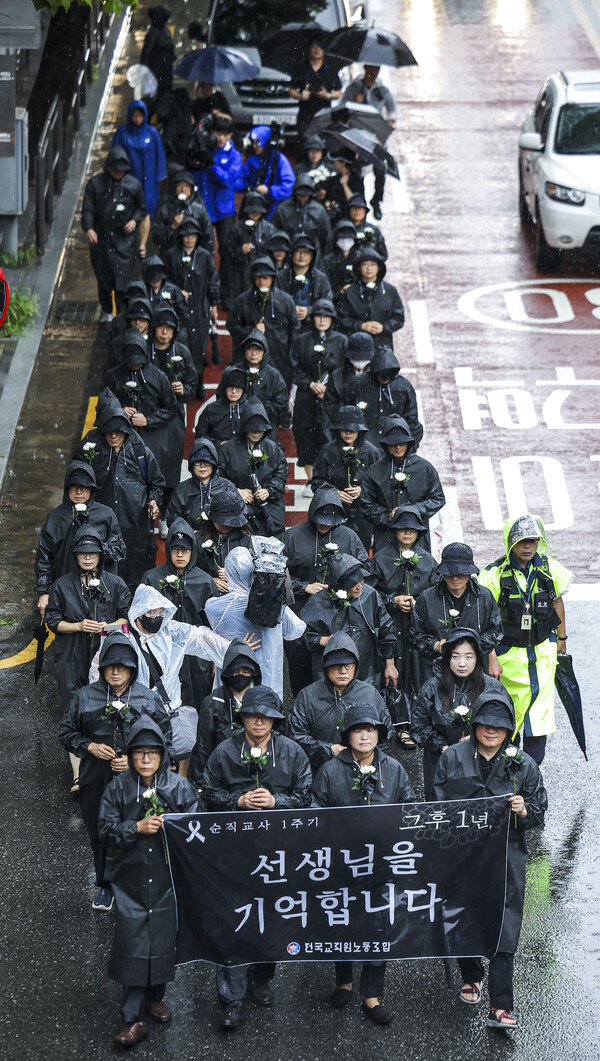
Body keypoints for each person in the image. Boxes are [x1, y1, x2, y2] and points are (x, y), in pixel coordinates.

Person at [432, 690, 547, 1029]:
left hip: (506, 858)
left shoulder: (523, 764)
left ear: (508, 729)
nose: (491, 731)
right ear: (475, 724)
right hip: (462, 856)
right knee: (465, 916)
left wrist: (524, 810)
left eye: (499, 726)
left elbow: (539, 809)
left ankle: (501, 1003)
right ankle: (471, 976)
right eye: (485, 724)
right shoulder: (452, 758)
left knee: (504, 923)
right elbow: (437, 806)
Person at [201, 687, 312, 1029]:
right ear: (243, 718)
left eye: (266, 716)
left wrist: (278, 802)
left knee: (271, 920)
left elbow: (306, 796)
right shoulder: (224, 752)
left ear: (275, 720)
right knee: (232, 920)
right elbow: (207, 793)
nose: (259, 721)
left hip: (278, 854)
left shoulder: (292, 752)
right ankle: (231, 997)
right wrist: (238, 801)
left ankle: (262, 978)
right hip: (234, 855)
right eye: (252, 715)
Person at [98, 720, 201, 1047]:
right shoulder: (118, 787)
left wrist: (175, 830)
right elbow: (105, 829)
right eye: (139, 753)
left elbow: (196, 829)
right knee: (133, 945)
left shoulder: (180, 787)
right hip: (130, 881)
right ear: (130, 755)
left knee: (162, 941)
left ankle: (155, 997)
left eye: (152, 754)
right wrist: (135, 828)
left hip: (167, 880)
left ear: (162, 756)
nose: (145, 760)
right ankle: (132, 1018)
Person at [311, 704, 415, 1025]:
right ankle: (344, 980)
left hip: (381, 863)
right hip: (342, 862)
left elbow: (409, 809)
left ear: (380, 735)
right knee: (341, 920)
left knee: (377, 923)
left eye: (371, 730)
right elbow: (315, 810)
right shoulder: (330, 770)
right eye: (358, 730)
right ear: (348, 736)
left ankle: (371, 994)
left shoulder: (394, 769)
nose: (365, 735)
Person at [90, 584, 258, 775]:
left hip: (169, 709)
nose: (157, 616)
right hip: (134, 712)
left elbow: (201, 638)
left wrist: (234, 650)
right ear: (139, 613)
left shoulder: (169, 631)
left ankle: (180, 783)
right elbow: (99, 672)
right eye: (151, 612)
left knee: (184, 748)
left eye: (160, 611)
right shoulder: (121, 640)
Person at [59, 634, 171, 911]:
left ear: (132, 668)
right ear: (102, 668)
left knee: (140, 827)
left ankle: (137, 883)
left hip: (139, 777)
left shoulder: (147, 698)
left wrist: (135, 762)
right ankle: (105, 884)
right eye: (110, 667)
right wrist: (90, 746)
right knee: (100, 830)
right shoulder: (84, 697)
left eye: (122, 667)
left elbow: (165, 737)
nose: (116, 672)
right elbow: (66, 733)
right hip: (96, 775)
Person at [478, 514, 572, 764]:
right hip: (509, 659)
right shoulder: (493, 574)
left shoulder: (548, 568)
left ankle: (529, 777)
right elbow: (484, 618)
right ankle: (505, 776)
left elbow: (556, 601)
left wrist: (561, 640)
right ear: (510, 543)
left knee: (538, 723)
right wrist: (491, 657)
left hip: (542, 657)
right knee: (506, 720)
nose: (528, 546)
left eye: (532, 540)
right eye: (522, 541)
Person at [283, 484, 369, 696]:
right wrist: (305, 587)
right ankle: (302, 704)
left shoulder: (348, 537)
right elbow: (279, 576)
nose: (324, 524)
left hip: (341, 612)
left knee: (341, 661)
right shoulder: (292, 537)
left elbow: (364, 570)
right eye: (320, 518)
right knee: (300, 660)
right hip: (302, 611)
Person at [73, 397, 165, 590]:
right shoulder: (92, 450)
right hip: (100, 524)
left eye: (118, 431)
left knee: (134, 568)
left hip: (135, 524)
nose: (114, 436)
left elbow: (156, 483)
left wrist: (153, 502)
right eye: (109, 431)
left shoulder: (140, 452)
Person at [45, 525, 131, 719]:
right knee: (72, 702)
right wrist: (78, 626)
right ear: (75, 556)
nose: (87, 558)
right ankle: (75, 742)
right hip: (70, 652)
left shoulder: (115, 584)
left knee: (104, 702)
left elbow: (126, 618)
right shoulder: (62, 585)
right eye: (82, 553)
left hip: (104, 651)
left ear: (100, 555)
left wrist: (108, 627)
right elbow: (52, 621)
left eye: (92, 553)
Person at [412, 627, 508, 798]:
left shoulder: (493, 688)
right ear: (447, 658)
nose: (462, 663)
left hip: (483, 758)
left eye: (468, 657)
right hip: (441, 758)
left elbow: (507, 724)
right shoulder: (432, 687)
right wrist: (443, 747)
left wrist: (480, 740)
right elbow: (419, 725)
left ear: (478, 658)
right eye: (455, 656)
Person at [370, 506, 438, 741]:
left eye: (413, 529)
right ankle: (399, 725)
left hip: (418, 629)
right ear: (394, 530)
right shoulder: (380, 559)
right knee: (392, 674)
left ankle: (419, 722)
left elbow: (437, 595)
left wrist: (420, 603)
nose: (407, 533)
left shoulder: (429, 562)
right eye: (402, 528)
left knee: (419, 673)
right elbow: (370, 593)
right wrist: (392, 600)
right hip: (390, 626)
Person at [205, 548, 305, 699]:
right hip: (269, 681)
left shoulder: (215, 608)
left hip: (233, 679)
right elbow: (297, 630)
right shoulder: (273, 605)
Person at [35, 460, 125, 621]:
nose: (78, 491)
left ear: (91, 489)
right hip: (66, 589)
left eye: (84, 487)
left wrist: (93, 548)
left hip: (100, 588)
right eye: (73, 486)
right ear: (67, 488)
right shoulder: (55, 518)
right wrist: (44, 592)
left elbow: (118, 549)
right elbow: (44, 557)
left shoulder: (106, 515)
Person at [142, 519, 218, 710]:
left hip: (197, 653)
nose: (180, 554)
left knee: (200, 696)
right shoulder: (152, 578)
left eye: (185, 550)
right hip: (162, 649)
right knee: (165, 698)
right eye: (175, 549)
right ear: (168, 550)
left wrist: (216, 658)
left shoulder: (205, 581)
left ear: (192, 551)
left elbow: (216, 624)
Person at [289, 632, 393, 770]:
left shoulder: (370, 694)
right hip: (318, 772)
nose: (343, 671)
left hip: (362, 771)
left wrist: (363, 754)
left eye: (348, 665)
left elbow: (387, 732)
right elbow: (295, 736)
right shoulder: (307, 696)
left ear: (356, 664)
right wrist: (328, 750)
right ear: (326, 666)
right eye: (336, 665)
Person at [410, 542, 502, 684]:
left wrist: (471, 646)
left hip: (475, 672)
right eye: (450, 572)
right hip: (437, 673)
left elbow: (495, 631)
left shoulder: (484, 596)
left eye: (460, 573)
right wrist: (434, 645)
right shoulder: (426, 598)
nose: (455, 578)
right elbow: (415, 635)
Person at [302, 553, 397, 690]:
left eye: (362, 580)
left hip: (366, 669)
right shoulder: (318, 602)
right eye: (353, 583)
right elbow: (299, 635)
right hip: (330, 672)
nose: (359, 586)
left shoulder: (370, 595)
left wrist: (390, 664)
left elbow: (386, 628)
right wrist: (320, 640)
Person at [102, 329, 178, 496]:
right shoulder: (113, 376)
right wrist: (118, 410)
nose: (135, 365)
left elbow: (171, 408)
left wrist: (149, 420)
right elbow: (103, 403)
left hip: (151, 434)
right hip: (120, 434)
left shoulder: (158, 377)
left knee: (153, 474)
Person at [360, 415, 445, 552]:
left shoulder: (424, 468)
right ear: (386, 444)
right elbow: (365, 504)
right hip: (385, 535)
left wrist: (414, 511)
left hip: (417, 535)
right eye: (393, 444)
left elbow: (438, 498)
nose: (398, 448)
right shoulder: (375, 471)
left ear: (409, 443)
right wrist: (387, 515)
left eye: (402, 443)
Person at [81, 146, 146, 321]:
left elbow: (141, 208)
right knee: (103, 277)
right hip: (101, 240)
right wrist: (89, 229)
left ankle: (123, 312)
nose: (118, 173)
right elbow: (87, 209)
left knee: (124, 278)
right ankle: (107, 308)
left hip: (124, 241)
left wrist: (134, 221)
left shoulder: (133, 185)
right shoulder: (95, 184)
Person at [290, 298, 348, 489]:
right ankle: (311, 479)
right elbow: (294, 367)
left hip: (330, 399)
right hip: (306, 397)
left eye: (326, 316)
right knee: (305, 434)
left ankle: (332, 478)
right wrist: (310, 384)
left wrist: (330, 388)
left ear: (332, 319)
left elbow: (344, 369)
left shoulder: (341, 341)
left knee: (329, 435)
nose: (322, 320)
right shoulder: (302, 340)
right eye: (318, 316)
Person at [147, 305, 197, 517]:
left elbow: (192, 383)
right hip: (147, 418)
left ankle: (166, 514)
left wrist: (184, 389)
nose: (165, 332)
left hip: (173, 420)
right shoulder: (143, 351)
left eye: (169, 327)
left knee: (170, 467)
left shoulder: (182, 352)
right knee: (148, 466)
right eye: (161, 327)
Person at [188, 637, 262, 780]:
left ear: (253, 672)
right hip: (223, 776)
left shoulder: (266, 700)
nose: (241, 675)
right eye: (236, 671)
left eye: (246, 670)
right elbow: (203, 749)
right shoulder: (213, 703)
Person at [311, 404, 381, 548]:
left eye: (353, 429)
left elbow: (382, 484)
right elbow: (316, 482)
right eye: (344, 429)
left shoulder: (371, 452)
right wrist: (334, 493)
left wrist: (363, 490)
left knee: (360, 549)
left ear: (360, 429)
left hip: (363, 514)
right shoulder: (327, 451)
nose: (348, 433)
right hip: (333, 512)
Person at [164, 216, 220, 395]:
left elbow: (213, 281)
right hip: (178, 309)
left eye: (193, 235)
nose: (189, 238)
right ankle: (181, 380)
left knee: (199, 347)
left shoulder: (205, 256)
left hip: (200, 308)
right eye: (186, 235)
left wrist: (213, 305)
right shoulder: (172, 255)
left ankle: (198, 381)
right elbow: (165, 280)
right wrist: (176, 291)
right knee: (180, 345)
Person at [217, 398, 288, 537]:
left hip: (270, 507)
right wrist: (235, 491)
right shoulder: (227, 450)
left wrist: (268, 490)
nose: (256, 433)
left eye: (260, 430)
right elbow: (217, 477)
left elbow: (282, 474)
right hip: (238, 508)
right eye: (252, 429)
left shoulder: (272, 449)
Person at [227, 255, 299, 388]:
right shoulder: (243, 301)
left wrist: (291, 350)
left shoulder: (285, 300)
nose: (262, 281)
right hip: (250, 355)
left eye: (265, 277)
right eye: (258, 277)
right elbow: (231, 325)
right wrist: (250, 331)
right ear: (253, 278)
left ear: (272, 278)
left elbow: (295, 326)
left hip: (279, 354)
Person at [196, 114, 242, 309]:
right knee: (203, 251)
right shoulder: (205, 147)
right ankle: (204, 293)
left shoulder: (235, 155)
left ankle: (226, 295)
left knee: (227, 252)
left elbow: (228, 180)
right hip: (205, 207)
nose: (221, 138)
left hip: (225, 210)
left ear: (230, 134)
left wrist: (212, 165)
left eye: (225, 134)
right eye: (217, 133)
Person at [110, 100, 167, 255]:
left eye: (140, 116)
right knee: (126, 208)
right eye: (134, 116)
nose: (137, 119)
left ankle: (142, 244)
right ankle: (126, 242)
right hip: (128, 175)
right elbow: (114, 154)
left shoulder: (152, 133)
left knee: (146, 210)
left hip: (148, 178)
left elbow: (159, 155)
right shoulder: (122, 133)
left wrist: (160, 175)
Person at [340, 65, 396, 219]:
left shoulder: (382, 90)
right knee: (357, 173)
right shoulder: (354, 89)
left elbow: (392, 113)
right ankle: (360, 203)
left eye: (376, 69)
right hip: (359, 138)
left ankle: (376, 201)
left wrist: (384, 129)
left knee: (380, 170)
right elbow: (342, 109)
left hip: (377, 139)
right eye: (370, 69)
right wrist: (355, 102)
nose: (373, 72)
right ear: (365, 68)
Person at [338, 249, 404, 354]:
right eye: (365, 264)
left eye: (373, 264)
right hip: (357, 345)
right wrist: (361, 326)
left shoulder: (390, 290)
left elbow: (399, 318)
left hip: (383, 344)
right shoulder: (350, 292)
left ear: (379, 267)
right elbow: (342, 319)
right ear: (359, 268)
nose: (369, 268)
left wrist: (384, 327)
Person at [353, 346, 422, 447]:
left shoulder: (403, 387)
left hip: (393, 443)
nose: (385, 379)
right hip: (366, 443)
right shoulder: (359, 383)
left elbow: (412, 420)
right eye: (382, 376)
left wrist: (410, 448)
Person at [165, 437, 233, 529]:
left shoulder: (227, 486)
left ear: (214, 464)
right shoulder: (181, 490)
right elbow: (172, 518)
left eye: (207, 462)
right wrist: (190, 533)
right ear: (191, 465)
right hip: (190, 538)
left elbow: (239, 513)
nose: (202, 466)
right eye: (198, 462)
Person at [195, 488, 251, 591]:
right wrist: (210, 580)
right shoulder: (199, 539)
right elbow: (189, 571)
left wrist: (234, 576)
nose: (225, 525)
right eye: (221, 521)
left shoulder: (247, 541)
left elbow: (257, 576)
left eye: (230, 522)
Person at [289, 34, 342, 143]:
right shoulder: (301, 68)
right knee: (303, 142)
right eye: (314, 46)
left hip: (323, 114)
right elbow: (291, 90)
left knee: (322, 143)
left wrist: (327, 95)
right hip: (305, 114)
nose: (317, 49)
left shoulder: (330, 69)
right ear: (309, 48)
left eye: (320, 46)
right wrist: (300, 95)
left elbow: (338, 92)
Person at [151, 167, 215, 257]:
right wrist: (172, 227)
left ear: (191, 189)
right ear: (175, 188)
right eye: (180, 185)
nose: (183, 189)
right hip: (170, 258)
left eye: (187, 186)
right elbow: (156, 238)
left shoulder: (199, 209)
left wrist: (208, 260)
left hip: (194, 258)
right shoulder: (165, 208)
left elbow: (208, 237)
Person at [236, 125, 295, 219]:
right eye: (254, 143)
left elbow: (288, 186)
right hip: (254, 206)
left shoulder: (279, 160)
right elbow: (242, 179)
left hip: (274, 209)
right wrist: (246, 187)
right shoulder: (252, 160)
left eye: (258, 143)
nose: (254, 146)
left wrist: (269, 191)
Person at [227, 191, 276, 304]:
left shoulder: (269, 229)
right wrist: (241, 251)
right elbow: (229, 253)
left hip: (262, 272)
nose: (254, 213)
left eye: (258, 210)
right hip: (241, 273)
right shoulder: (237, 228)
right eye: (252, 210)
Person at [271, 175, 333, 260]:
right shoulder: (283, 209)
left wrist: (324, 257)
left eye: (306, 195)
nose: (303, 197)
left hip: (313, 253)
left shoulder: (319, 210)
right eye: (300, 195)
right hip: (289, 252)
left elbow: (326, 236)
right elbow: (274, 231)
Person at [274, 233, 332, 322]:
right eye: (298, 251)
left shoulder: (320, 278)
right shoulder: (281, 277)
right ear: (291, 254)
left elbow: (327, 302)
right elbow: (274, 301)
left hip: (312, 324)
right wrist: (291, 309)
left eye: (306, 252)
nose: (302, 256)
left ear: (312, 256)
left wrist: (309, 310)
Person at [240, 329, 288, 432]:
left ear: (264, 352)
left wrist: (259, 408)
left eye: (258, 349)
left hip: (266, 427)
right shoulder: (235, 372)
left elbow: (281, 404)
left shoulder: (274, 376)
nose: (253, 353)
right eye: (250, 349)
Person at [322, 331, 375, 426]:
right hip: (344, 426)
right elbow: (330, 404)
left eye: (363, 358)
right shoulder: (337, 375)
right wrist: (345, 418)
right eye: (356, 358)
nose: (359, 362)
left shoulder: (376, 374)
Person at [194, 364, 248, 445]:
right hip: (217, 453)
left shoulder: (250, 409)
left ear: (244, 389)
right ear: (224, 387)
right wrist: (218, 443)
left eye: (238, 387)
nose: (234, 391)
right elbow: (200, 435)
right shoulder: (211, 409)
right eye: (230, 387)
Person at [140, 5, 175, 109]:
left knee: (164, 97)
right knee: (153, 99)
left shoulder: (166, 31)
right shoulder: (153, 34)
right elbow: (146, 54)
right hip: (155, 71)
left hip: (165, 70)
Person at [322, 217, 359, 300]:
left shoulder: (360, 258)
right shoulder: (328, 260)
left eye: (349, 238)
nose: (345, 241)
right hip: (335, 300)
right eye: (342, 238)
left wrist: (354, 288)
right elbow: (326, 284)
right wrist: (339, 291)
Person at [345, 193, 388, 259]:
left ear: (365, 211)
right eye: (354, 208)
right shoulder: (343, 228)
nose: (357, 211)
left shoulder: (374, 230)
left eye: (360, 208)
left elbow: (383, 254)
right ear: (349, 210)